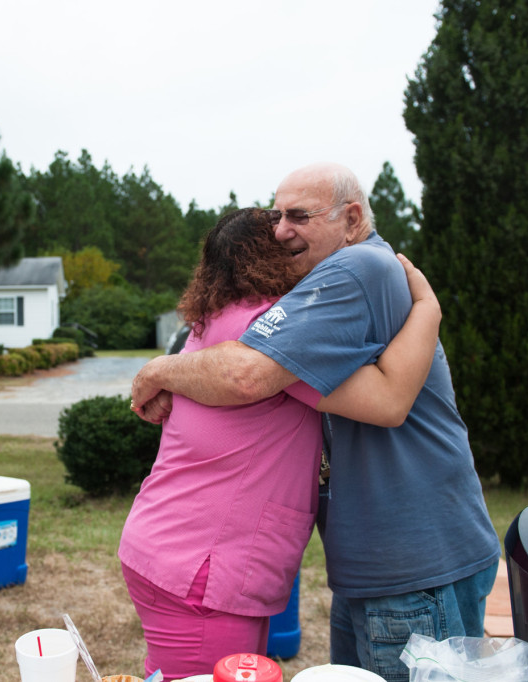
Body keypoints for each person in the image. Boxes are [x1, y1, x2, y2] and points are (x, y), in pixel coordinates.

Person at [131, 163, 500, 682]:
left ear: (351, 219)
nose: (281, 231)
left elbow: (247, 374)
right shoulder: (345, 276)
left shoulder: (353, 270)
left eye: (299, 216)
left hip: (414, 566)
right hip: (382, 565)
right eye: (277, 215)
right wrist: (427, 309)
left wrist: (158, 369)